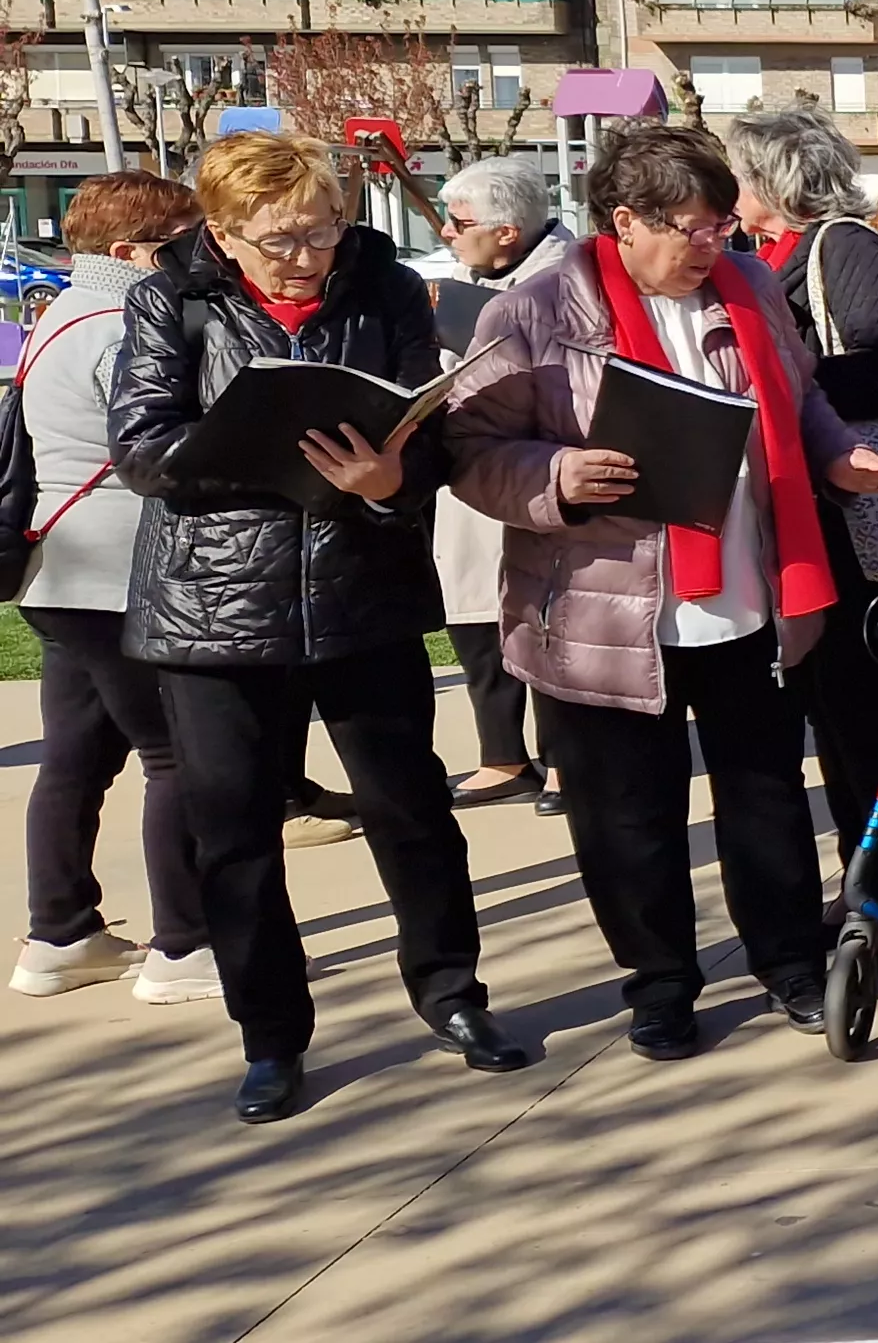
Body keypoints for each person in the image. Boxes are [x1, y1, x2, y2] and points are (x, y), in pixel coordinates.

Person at [449, 122, 878, 1061]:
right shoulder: (536, 311)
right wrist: (557, 478)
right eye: (696, 230)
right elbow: (469, 451)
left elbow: (803, 394)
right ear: (626, 219)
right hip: (602, 606)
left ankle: (786, 960)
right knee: (628, 813)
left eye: (724, 227)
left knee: (766, 794)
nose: (716, 248)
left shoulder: (747, 288)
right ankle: (659, 983)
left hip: (749, 590)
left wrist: (837, 456)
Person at [111, 132, 529, 1122]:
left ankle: (451, 994)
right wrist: (272, 452)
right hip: (215, 606)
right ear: (223, 230)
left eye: (324, 228)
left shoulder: (380, 288)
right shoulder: (170, 297)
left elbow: (426, 434)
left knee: (411, 810)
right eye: (282, 239)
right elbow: (142, 447)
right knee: (237, 835)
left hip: (360, 595)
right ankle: (270, 1038)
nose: (309, 255)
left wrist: (395, 478)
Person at [727, 105, 878, 947]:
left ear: (770, 178)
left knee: (858, 719)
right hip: (801, 518)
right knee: (829, 716)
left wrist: (788, 384)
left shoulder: (842, 243)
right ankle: (866, 886)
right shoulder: (761, 257)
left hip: (849, 521)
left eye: (736, 174)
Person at [13, 173, 217, 1006]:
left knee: (76, 757)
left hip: (57, 569)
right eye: (187, 234)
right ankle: (187, 945)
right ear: (134, 251)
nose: (204, 247)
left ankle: (60, 933)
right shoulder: (127, 325)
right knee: (178, 758)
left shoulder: (57, 312)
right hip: (120, 568)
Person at [429, 156, 572, 813]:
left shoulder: (568, 277)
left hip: (540, 466)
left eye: (457, 224)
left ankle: (565, 762)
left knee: (549, 618)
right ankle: (502, 755)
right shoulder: (463, 275)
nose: (447, 236)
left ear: (506, 231)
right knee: (475, 613)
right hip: (467, 473)